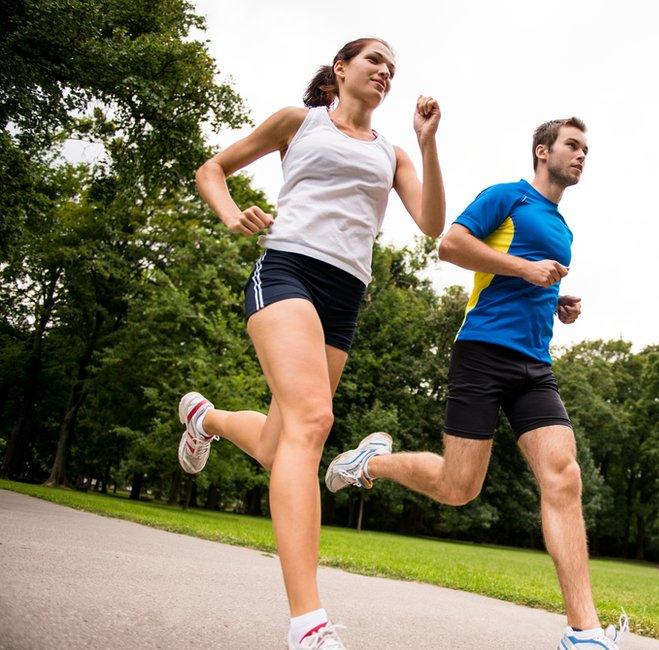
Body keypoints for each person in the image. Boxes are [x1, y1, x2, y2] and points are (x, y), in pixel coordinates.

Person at [178, 37, 445, 650]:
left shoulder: (393, 152)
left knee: (281, 446)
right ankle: (309, 626)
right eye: (374, 59)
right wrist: (229, 214)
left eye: (393, 67)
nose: (385, 70)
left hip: (345, 297)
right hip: (288, 270)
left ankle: (206, 418)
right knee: (313, 421)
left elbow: (431, 223)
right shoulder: (299, 123)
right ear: (341, 69)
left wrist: (428, 147)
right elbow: (211, 169)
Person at [325, 117, 629, 649]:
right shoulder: (505, 197)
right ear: (543, 151)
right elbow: (450, 245)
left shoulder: (564, 227)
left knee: (564, 477)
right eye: (573, 145)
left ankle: (585, 633)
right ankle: (367, 464)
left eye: (587, 149)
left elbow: (524, 282)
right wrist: (523, 269)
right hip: (482, 353)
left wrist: (555, 303)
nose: (582, 155)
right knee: (458, 488)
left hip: (535, 364)